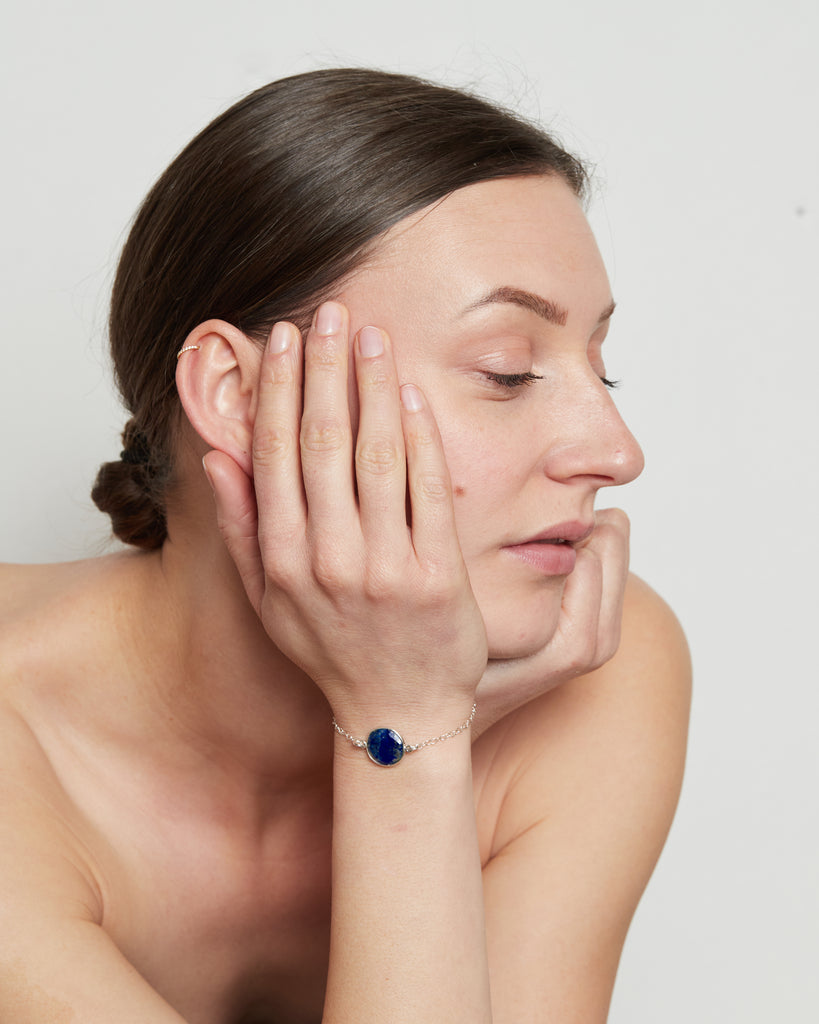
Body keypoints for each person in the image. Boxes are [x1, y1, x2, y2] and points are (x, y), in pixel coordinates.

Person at [0, 68, 691, 1023]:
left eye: (602, 372)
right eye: (506, 370)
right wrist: (404, 724)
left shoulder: (600, 659)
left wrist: (407, 733)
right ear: (238, 399)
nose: (617, 453)